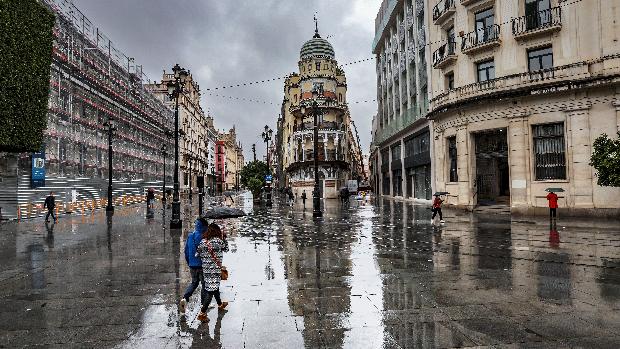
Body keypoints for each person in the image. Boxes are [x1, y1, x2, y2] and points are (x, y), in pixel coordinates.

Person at [196, 223, 229, 322]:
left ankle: (220, 304)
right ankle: (202, 313)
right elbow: (226, 249)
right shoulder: (219, 241)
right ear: (217, 231)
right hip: (215, 270)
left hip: (206, 271)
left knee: (214, 287)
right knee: (211, 291)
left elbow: (197, 254)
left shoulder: (203, 242)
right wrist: (224, 238)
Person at [179, 217, 208, 314]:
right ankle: (204, 304)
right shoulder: (205, 236)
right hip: (202, 265)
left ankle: (185, 298)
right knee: (204, 285)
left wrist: (189, 263)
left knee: (194, 283)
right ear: (204, 226)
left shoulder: (190, 236)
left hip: (192, 265)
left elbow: (186, 252)